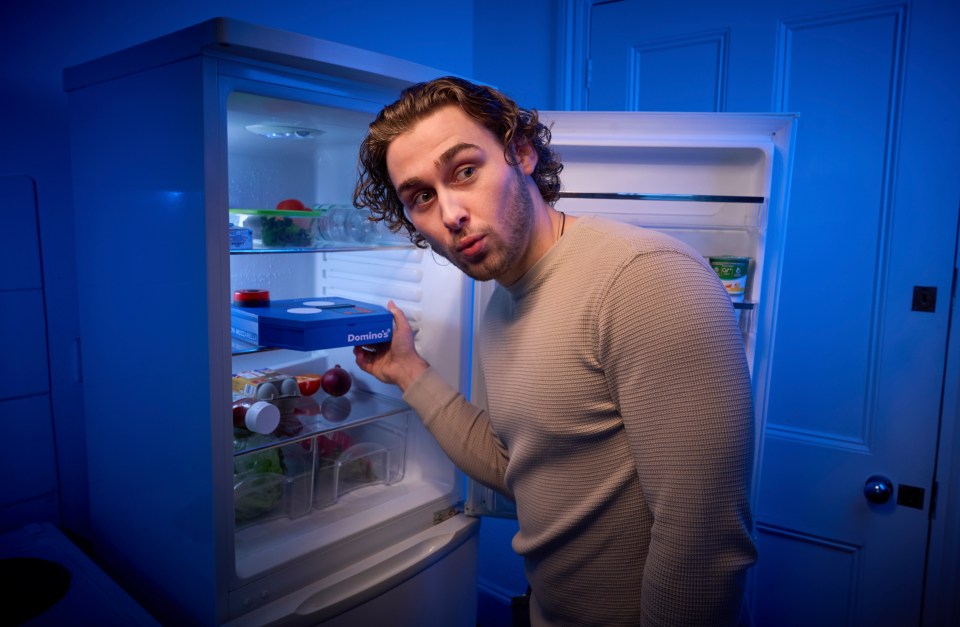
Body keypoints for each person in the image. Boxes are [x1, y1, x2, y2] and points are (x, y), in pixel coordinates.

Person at [351, 76, 757, 626]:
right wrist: (406, 370)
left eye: (465, 171)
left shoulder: (645, 281)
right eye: (421, 196)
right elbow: (517, 464)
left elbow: (704, 542)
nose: (449, 214)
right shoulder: (502, 305)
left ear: (521, 151)